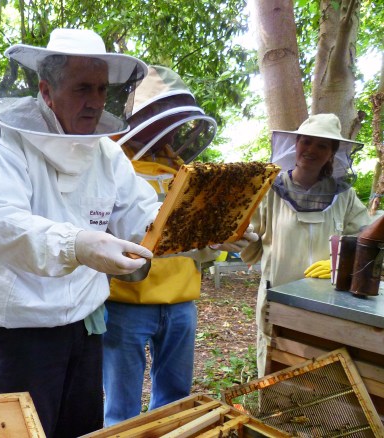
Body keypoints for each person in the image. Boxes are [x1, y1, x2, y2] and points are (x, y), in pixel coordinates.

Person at [0, 28, 161, 437]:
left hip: (84, 328)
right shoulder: (7, 140)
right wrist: (78, 244)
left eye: (101, 89)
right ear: (47, 91)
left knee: (81, 431)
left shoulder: (106, 151)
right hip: (21, 335)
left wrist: (199, 232)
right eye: (82, 88)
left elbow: (141, 215)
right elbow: (0, 222)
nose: (96, 100)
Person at [103, 65, 258, 425]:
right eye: (163, 117)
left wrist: (223, 237)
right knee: (121, 408)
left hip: (181, 303)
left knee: (175, 403)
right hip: (126, 303)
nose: (172, 129)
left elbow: (193, 243)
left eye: (176, 120)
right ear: (141, 117)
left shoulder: (180, 170)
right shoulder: (110, 163)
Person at [240, 113, 371, 377]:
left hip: (328, 303)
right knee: (275, 367)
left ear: (332, 153)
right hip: (277, 297)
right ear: (296, 143)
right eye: (306, 141)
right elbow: (248, 242)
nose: (311, 149)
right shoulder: (269, 191)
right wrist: (237, 238)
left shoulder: (345, 196)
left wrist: (339, 263)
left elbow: (365, 240)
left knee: (321, 371)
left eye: (322, 145)